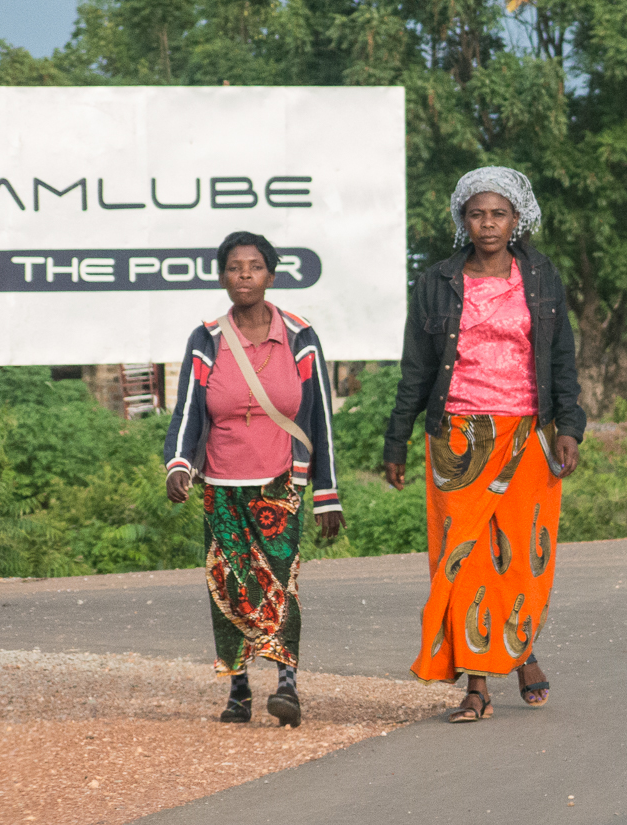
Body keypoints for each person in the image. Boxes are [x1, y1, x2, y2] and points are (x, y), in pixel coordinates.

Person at [384, 166, 586, 721]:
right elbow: (416, 369)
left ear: (518, 218)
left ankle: (520, 650)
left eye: (499, 214)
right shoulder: (436, 282)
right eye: (477, 214)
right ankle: (477, 686)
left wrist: (570, 427)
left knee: (521, 557)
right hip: (458, 437)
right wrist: (397, 440)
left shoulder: (541, 276)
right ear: (463, 220)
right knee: (464, 558)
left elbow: (562, 358)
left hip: (529, 431)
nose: (488, 224)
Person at [164, 231, 345, 727]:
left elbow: (320, 418)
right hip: (221, 484)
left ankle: (287, 683)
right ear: (222, 277)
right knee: (229, 582)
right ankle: (239, 688)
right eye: (234, 268)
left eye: (255, 267)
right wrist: (178, 464)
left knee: (281, 579)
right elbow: (188, 410)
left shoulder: (300, 337)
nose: (244, 275)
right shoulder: (207, 339)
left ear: (271, 275)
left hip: (282, 480)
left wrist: (327, 494)